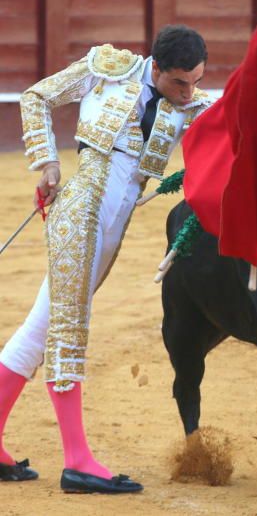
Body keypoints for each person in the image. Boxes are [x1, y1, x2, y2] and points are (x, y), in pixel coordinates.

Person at [0, 25, 211, 493]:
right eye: (180, 82)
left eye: (196, 81)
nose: (188, 92)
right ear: (155, 67)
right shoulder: (106, 69)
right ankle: (77, 461)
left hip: (112, 225)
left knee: (41, 326)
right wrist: (47, 161)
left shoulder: (193, 104)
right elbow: (36, 97)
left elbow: (234, 131)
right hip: (80, 212)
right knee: (69, 326)